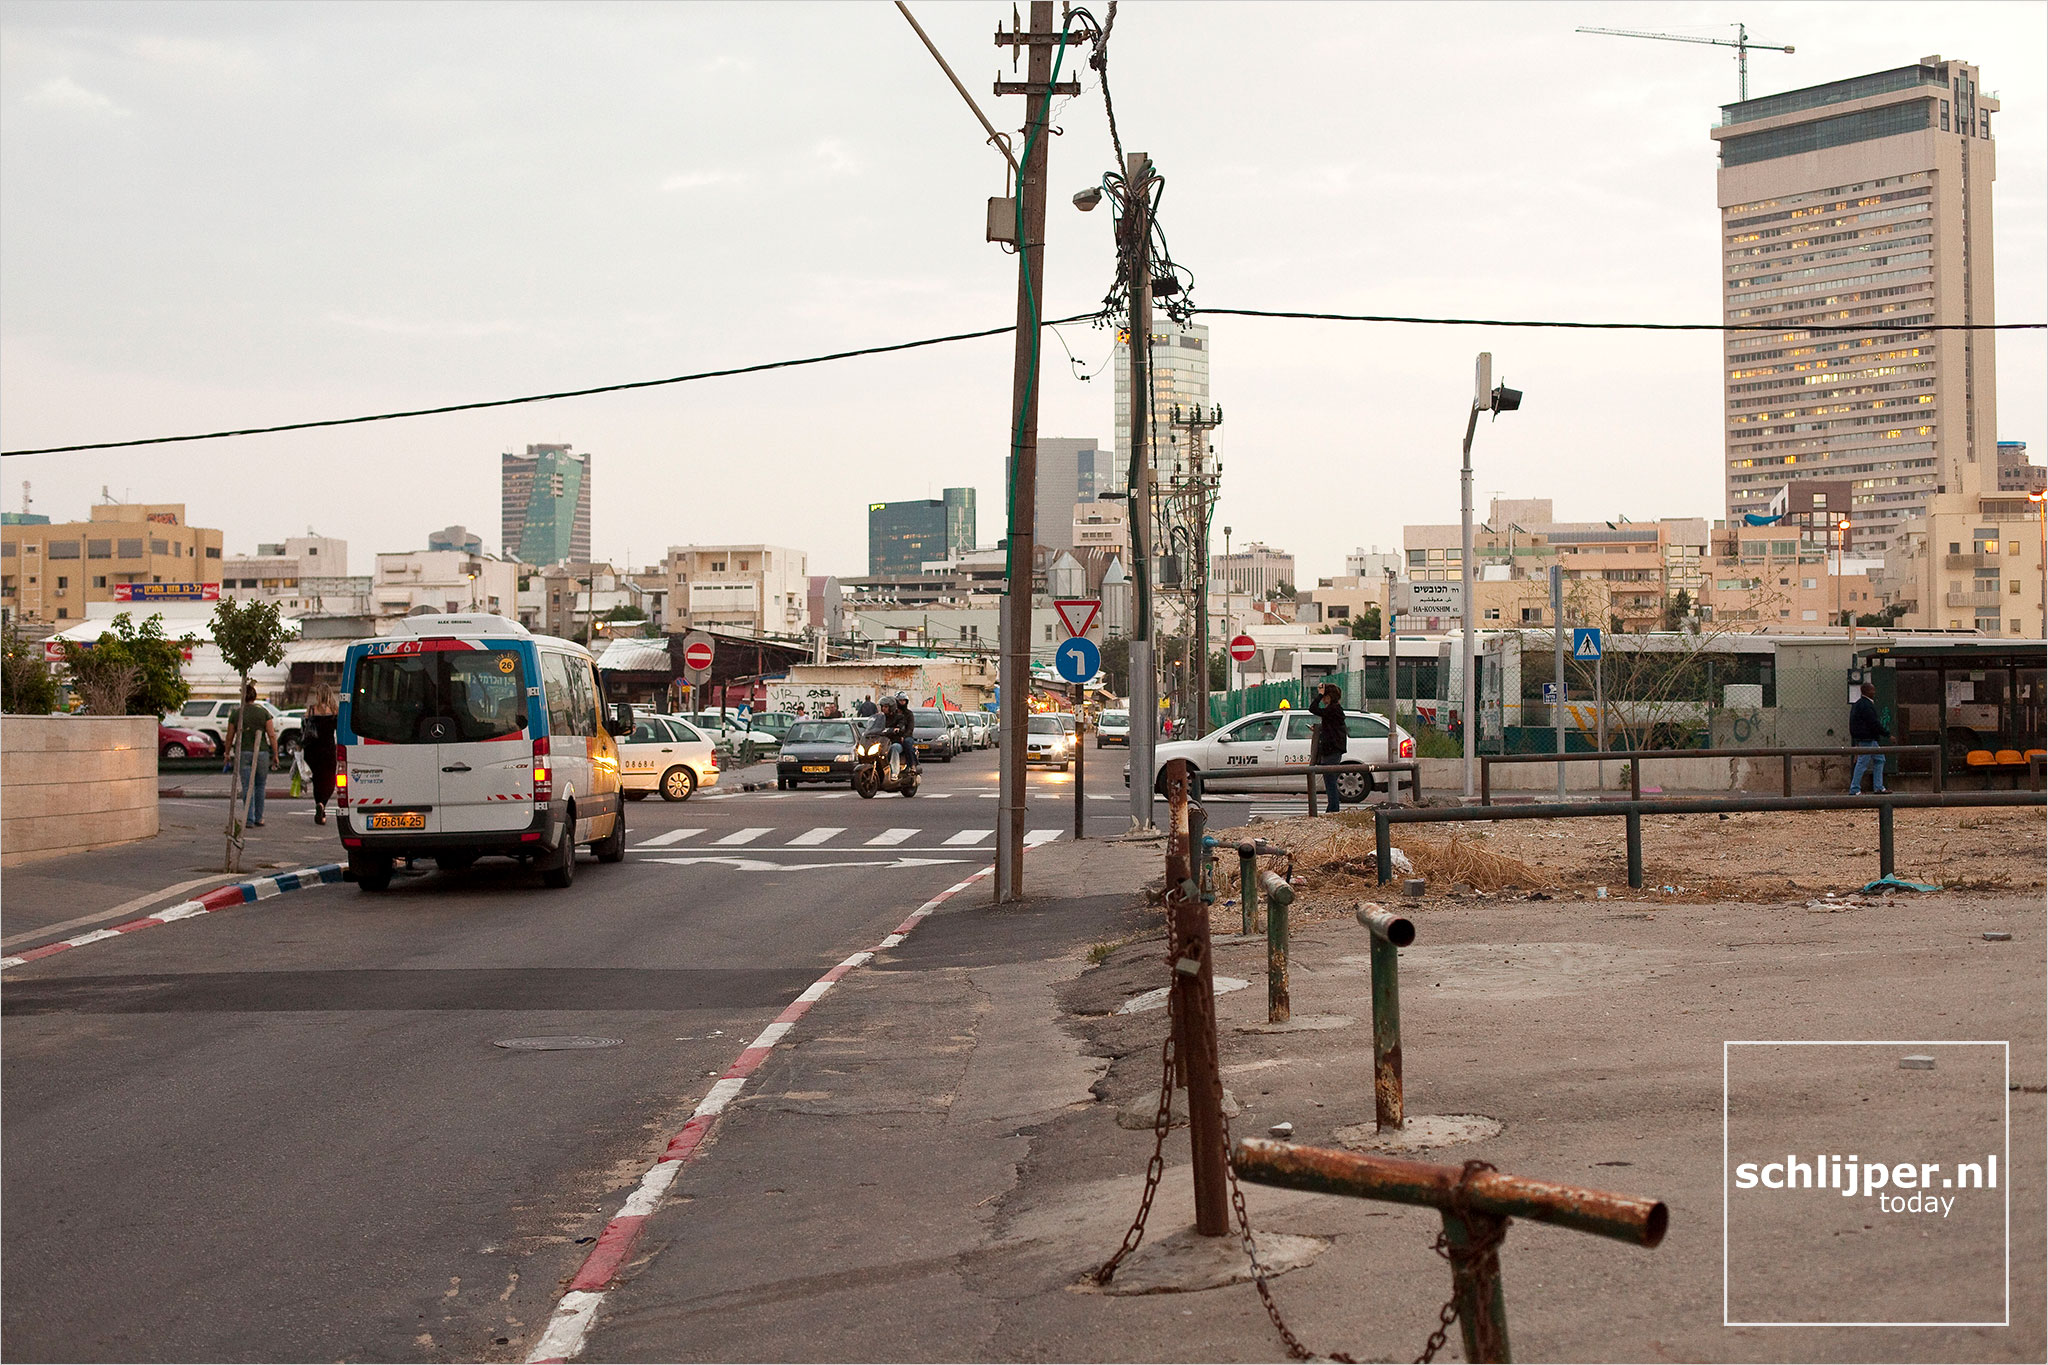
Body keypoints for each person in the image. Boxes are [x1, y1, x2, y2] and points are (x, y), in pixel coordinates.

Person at [224, 682, 278, 828]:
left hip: (243, 751)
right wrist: (276, 754)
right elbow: (271, 735)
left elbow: (229, 736)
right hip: (261, 752)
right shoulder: (264, 712)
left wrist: (227, 753)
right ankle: (259, 818)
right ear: (254, 696)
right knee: (260, 785)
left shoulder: (236, 713)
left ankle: (249, 818)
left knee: (247, 786)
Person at [1307, 682, 1350, 814]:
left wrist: (1318, 696)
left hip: (1332, 749)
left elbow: (1313, 708)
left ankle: (1333, 809)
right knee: (1330, 781)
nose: (1323, 699)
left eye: (1325, 696)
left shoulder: (1333, 709)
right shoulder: (1335, 710)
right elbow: (1331, 726)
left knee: (1330, 782)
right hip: (1332, 749)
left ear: (1329, 696)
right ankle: (1332, 808)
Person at [302, 682, 340, 826]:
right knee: (330, 780)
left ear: (318, 695)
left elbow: (304, 728)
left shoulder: (311, 710)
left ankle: (319, 803)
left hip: (312, 750)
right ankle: (323, 803)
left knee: (317, 780)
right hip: (328, 749)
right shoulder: (335, 711)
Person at [1848, 681, 1890, 795]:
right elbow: (1873, 722)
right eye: (1872, 690)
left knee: (1879, 759)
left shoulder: (1858, 704)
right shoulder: (1867, 705)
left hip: (1865, 738)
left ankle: (1878, 787)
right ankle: (1855, 788)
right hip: (1868, 738)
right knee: (1863, 763)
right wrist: (1886, 734)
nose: (1874, 692)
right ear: (1868, 691)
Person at [879, 694, 918, 776]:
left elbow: (908, 727)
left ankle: (911, 765)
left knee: (906, 743)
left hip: (903, 736)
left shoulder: (906, 714)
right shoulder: (883, 716)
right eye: (900, 700)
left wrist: (902, 733)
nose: (902, 702)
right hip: (887, 740)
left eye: (903, 701)